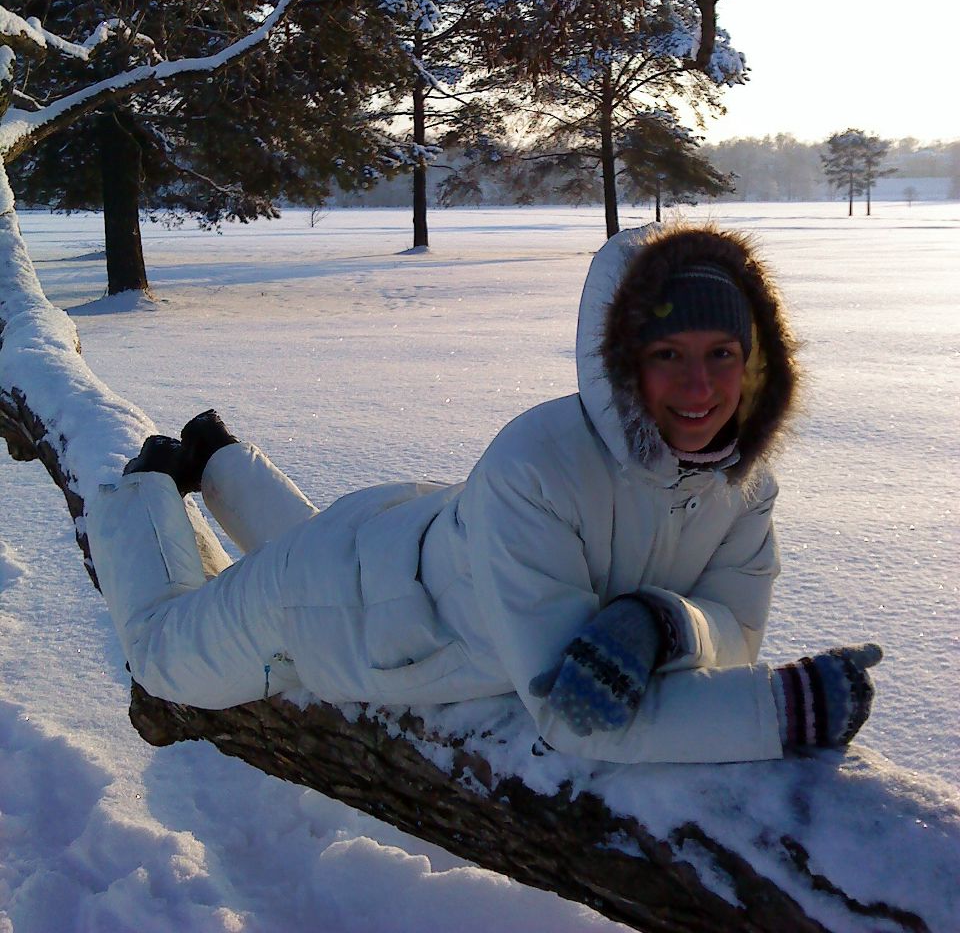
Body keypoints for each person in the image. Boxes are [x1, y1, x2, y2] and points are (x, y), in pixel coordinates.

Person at [86, 223, 882, 764]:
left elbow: (735, 630)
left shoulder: (744, 485)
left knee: (314, 545)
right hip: (341, 611)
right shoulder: (540, 466)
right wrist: (785, 712)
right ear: (620, 364)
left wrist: (662, 624)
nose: (700, 384)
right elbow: (573, 718)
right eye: (667, 352)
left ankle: (218, 458)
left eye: (722, 352)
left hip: (411, 541)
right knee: (162, 655)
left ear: (757, 361)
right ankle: (155, 479)